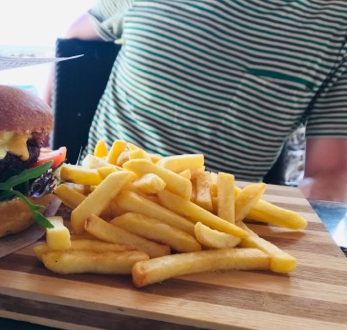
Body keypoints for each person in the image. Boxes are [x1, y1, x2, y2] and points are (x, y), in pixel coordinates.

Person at [45, 0, 347, 202]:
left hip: (221, 226)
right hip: (92, 198)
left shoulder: (338, 24)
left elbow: (330, 174)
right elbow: (72, 44)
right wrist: (40, 146)